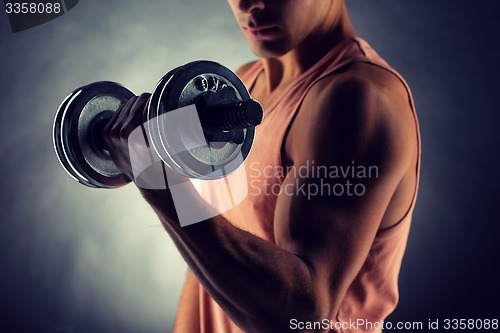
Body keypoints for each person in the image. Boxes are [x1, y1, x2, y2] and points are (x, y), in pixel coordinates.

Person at [102, 0, 420, 332]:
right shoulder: (243, 84)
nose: (246, 3)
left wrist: (162, 184)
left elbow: (303, 318)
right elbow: (207, 261)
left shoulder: (359, 99)